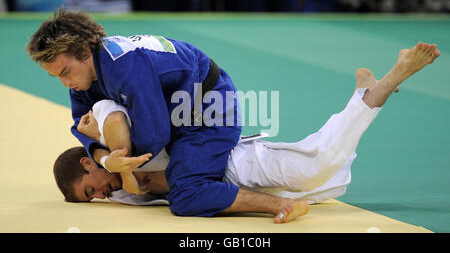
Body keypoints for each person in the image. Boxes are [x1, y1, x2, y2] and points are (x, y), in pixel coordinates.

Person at [53, 41, 440, 223]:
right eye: (92, 201)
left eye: (91, 189)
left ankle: (389, 79)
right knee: (330, 181)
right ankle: (363, 93)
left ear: (89, 163)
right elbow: (146, 184)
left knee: (320, 164)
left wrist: (115, 160)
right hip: (217, 167)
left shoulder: (106, 116)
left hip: (236, 164)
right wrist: (125, 179)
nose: (100, 196)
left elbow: (108, 117)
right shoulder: (120, 193)